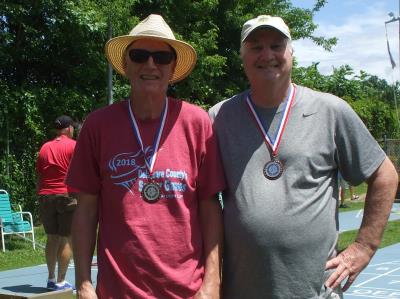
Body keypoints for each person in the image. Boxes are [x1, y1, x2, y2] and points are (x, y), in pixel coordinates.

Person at [209, 15, 398, 298]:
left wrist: (365, 246)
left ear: (291, 53)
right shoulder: (218, 117)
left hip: (314, 291)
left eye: (276, 45)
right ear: (242, 57)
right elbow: (205, 200)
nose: (267, 55)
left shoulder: (330, 111)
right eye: (256, 47)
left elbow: (384, 174)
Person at [66, 14, 225, 299]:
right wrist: (83, 283)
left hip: (187, 292)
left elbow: (210, 207)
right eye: (140, 55)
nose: (150, 64)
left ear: (173, 67)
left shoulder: (197, 123)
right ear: (125, 65)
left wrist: (212, 282)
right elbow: (86, 209)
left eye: (162, 57)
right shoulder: (98, 125)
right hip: (117, 292)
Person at [36, 115, 78, 291]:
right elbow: (80, 171)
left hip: (46, 196)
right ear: (69, 128)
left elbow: (39, 175)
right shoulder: (74, 145)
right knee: (67, 238)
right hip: (66, 195)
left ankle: (51, 278)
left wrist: (42, 193)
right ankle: (61, 281)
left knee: (52, 237)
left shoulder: (45, 147)